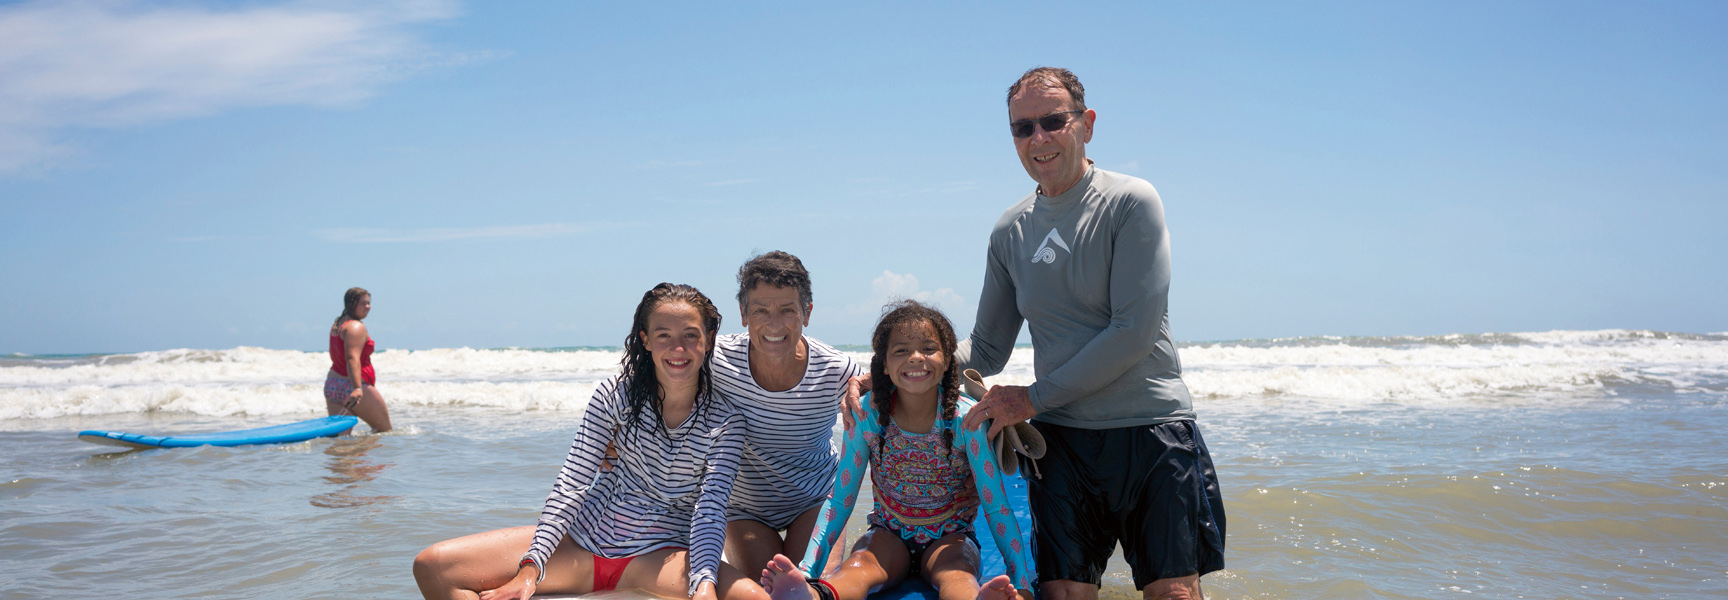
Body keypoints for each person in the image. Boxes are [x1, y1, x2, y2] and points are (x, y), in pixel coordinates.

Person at [955, 68, 1227, 600]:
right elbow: (985, 348)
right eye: (1022, 127)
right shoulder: (1009, 230)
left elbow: (1134, 332)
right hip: (1062, 445)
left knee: (1174, 593)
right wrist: (900, 365)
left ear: (1087, 124)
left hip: (1151, 431)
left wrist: (1030, 399)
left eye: (1053, 121)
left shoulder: (1131, 201)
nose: (1039, 138)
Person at [412, 283, 767, 600]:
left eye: (691, 335)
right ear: (645, 339)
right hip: (581, 547)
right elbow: (573, 481)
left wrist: (702, 584)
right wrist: (531, 569)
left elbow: (711, 510)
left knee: (752, 598)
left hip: (657, 559)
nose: (678, 348)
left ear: (708, 339)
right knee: (432, 565)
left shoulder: (726, 421)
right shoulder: (616, 395)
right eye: (663, 335)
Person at [761, 301, 1032, 600]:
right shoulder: (867, 415)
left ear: (946, 361)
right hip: (888, 534)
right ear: (885, 365)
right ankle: (812, 596)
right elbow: (840, 501)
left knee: (957, 571)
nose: (916, 357)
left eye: (928, 348)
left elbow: (997, 506)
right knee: (860, 564)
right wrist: (808, 570)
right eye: (901, 350)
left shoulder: (966, 421)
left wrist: (1022, 585)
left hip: (951, 537)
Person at [710, 251, 865, 576]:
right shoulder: (715, 361)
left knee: (813, 583)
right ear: (743, 313)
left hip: (816, 498)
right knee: (766, 589)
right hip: (744, 509)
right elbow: (648, 382)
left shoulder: (835, 370)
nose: (774, 324)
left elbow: (895, 404)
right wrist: (614, 435)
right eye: (761, 311)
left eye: (787, 311)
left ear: (806, 313)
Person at [325, 287, 391, 433]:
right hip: (353, 386)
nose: (368, 307)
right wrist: (356, 388)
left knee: (342, 440)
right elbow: (351, 358)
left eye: (369, 303)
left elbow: (336, 355)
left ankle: (354, 456)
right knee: (384, 432)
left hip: (333, 385)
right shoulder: (355, 327)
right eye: (363, 303)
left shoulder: (338, 324)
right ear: (351, 304)